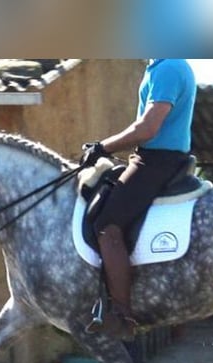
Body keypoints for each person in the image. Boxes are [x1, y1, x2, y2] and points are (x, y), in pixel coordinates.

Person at [80, 59, 197, 340]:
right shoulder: (159, 66)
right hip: (151, 157)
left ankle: (123, 316)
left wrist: (102, 146)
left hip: (157, 160)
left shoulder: (169, 67)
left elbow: (147, 128)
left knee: (107, 225)